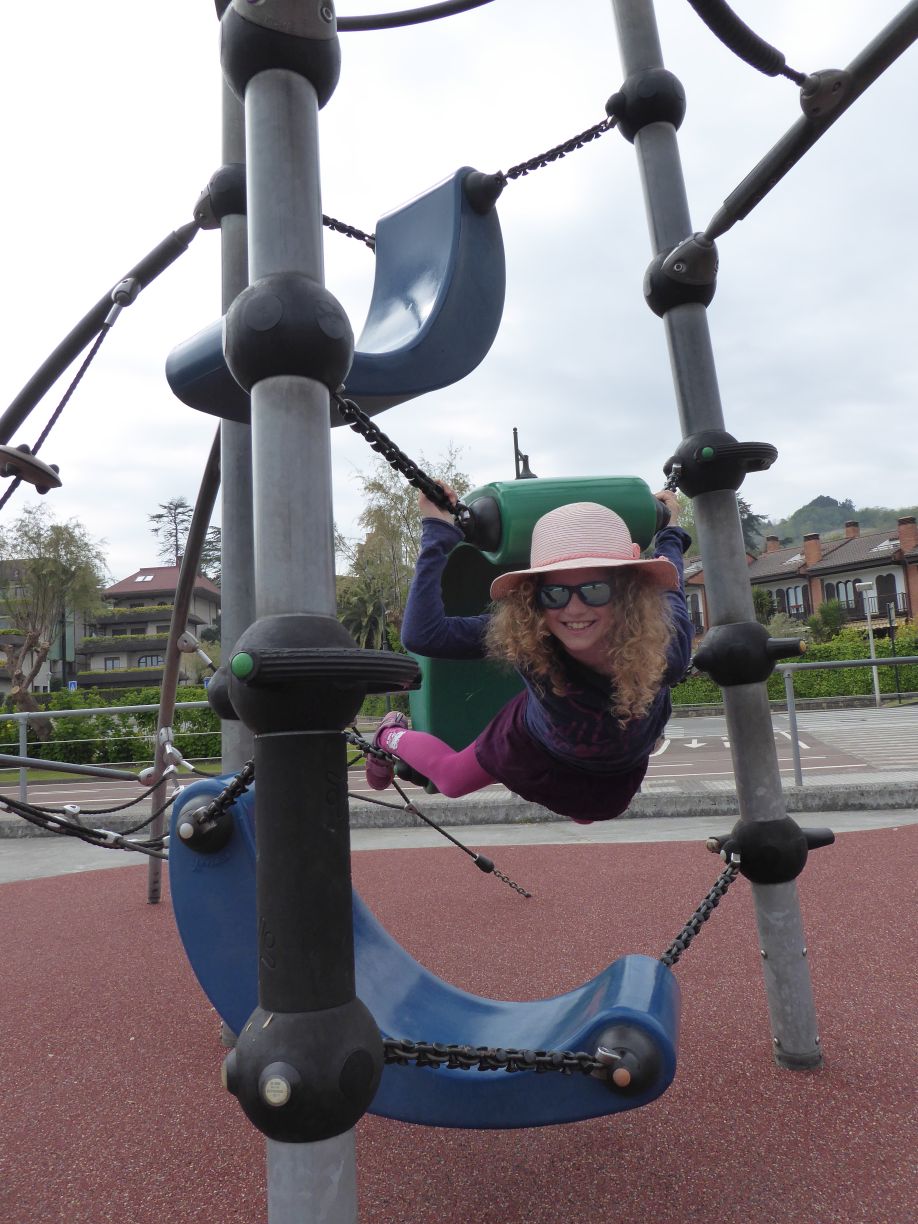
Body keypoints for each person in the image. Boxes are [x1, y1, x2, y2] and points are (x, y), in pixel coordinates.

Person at [365, 490, 693, 822]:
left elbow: (672, 583)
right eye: (555, 593)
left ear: (629, 595)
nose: (574, 609)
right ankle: (388, 734)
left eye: (595, 590)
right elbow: (422, 635)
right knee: (451, 780)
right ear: (534, 601)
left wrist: (670, 529)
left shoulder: (664, 649)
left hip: (615, 760)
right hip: (536, 743)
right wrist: (437, 530)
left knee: (591, 812)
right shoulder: (530, 636)